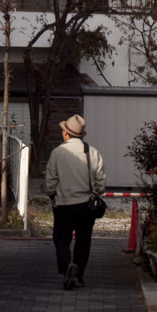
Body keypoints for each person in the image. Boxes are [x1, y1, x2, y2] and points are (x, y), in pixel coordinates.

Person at [45, 114, 106, 291]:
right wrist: (97, 192)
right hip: (86, 204)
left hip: (64, 204)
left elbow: (50, 180)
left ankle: (67, 268)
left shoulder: (58, 152)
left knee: (61, 239)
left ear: (66, 134)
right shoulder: (92, 152)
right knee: (83, 240)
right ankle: (78, 274)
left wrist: (52, 195)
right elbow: (100, 181)